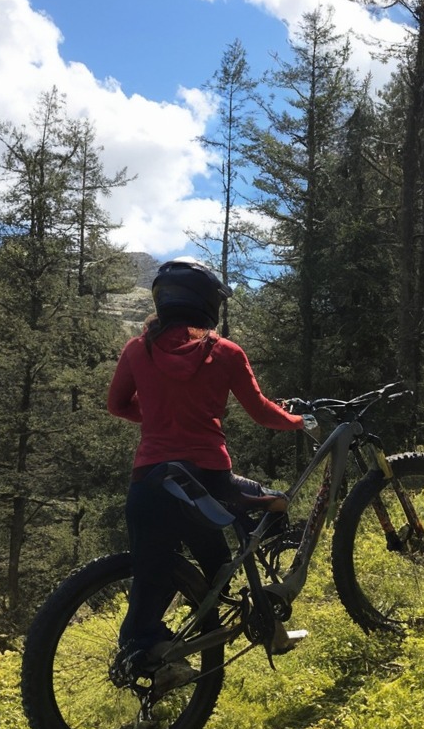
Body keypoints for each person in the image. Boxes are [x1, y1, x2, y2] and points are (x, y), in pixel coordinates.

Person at [106, 257, 308, 692]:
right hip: (209, 484)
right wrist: (298, 422)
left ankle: (172, 641)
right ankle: (262, 611)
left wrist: (161, 418)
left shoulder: (136, 350)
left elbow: (118, 405)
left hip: (151, 482)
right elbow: (261, 413)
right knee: (275, 505)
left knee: (156, 569)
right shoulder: (225, 352)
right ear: (206, 304)